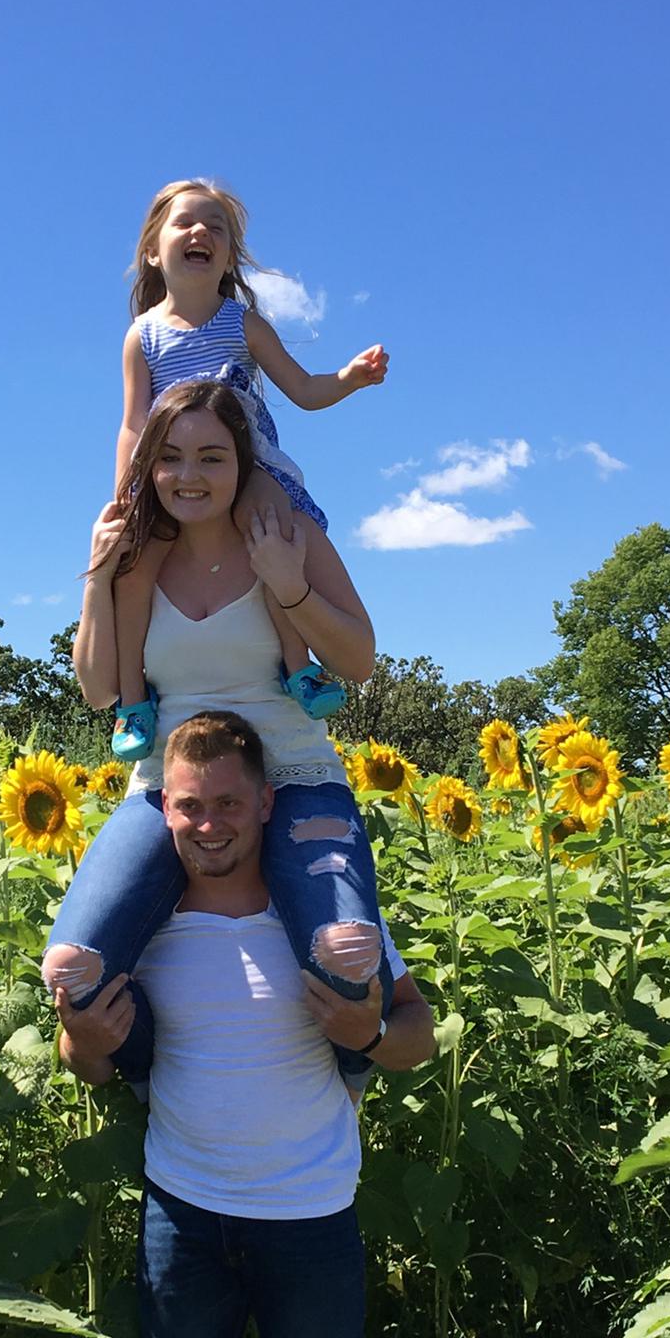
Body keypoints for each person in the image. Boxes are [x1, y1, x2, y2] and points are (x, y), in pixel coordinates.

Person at [53, 710, 436, 1338]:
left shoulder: (319, 922)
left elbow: (418, 1032)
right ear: (163, 811)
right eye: (189, 808)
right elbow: (92, 1065)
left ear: (267, 802)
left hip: (308, 1218)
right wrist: (82, 1045)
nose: (210, 824)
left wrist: (370, 1033)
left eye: (229, 802)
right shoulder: (144, 929)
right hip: (182, 1216)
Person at [43, 379, 391, 1093]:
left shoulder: (287, 535)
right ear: (148, 466)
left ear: (243, 463)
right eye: (169, 458)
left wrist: (288, 585)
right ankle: (147, 1079)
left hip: (294, 777)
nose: (188, 477)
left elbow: (357, 660)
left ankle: (349, 1077)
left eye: (211, 457)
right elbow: (100, 689)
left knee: (347, 950)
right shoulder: (139, 558)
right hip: (171, 792)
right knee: (72, 968)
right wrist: (96, 576)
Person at [109, 178, 389, 759]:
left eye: (217, 228)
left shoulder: (242, 324)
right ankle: (132, 701)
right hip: (171, 469)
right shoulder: (144, 336)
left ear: (229, 257)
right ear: (153, 249)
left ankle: (298, 667)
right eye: (186, 222)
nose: (201, 233)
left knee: (272, 533)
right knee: (133, 569)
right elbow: (134, 423)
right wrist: (126, 492)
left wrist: (350, 379)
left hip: (249, 458)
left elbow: (304, 390)